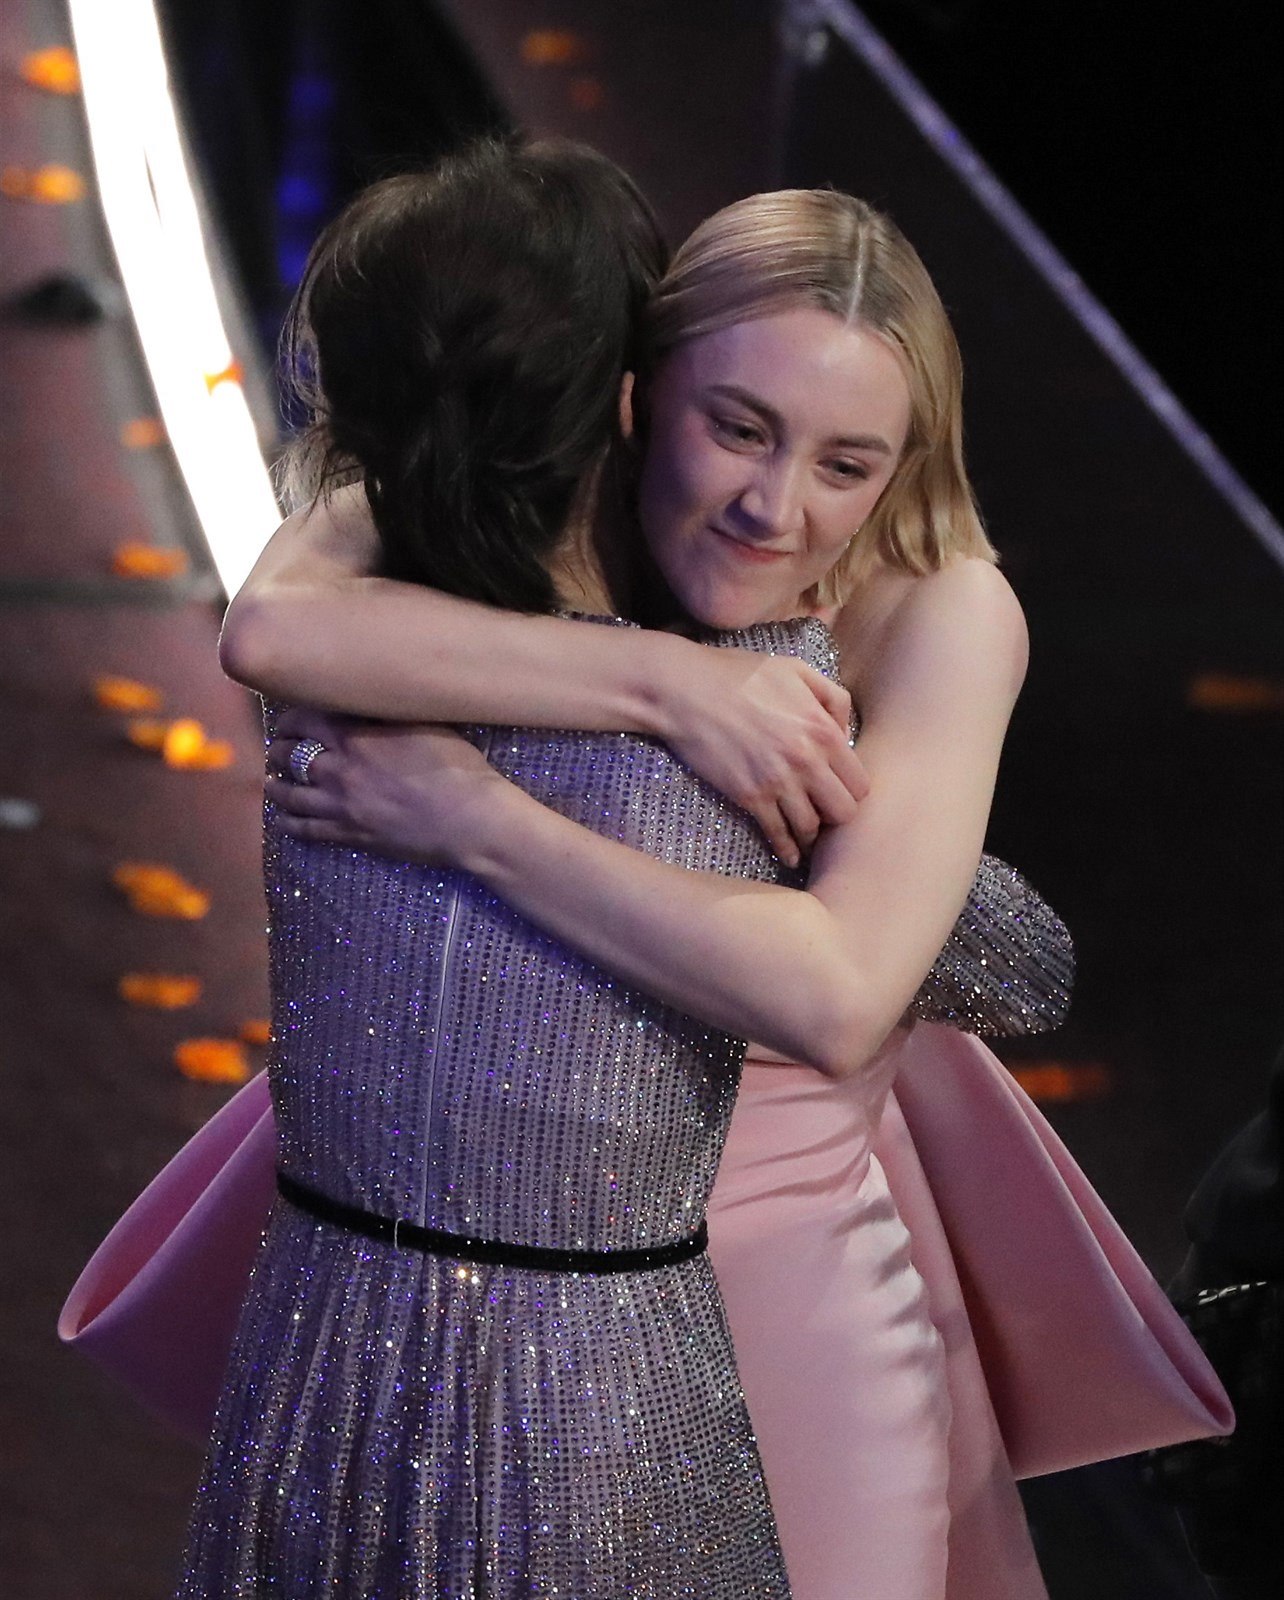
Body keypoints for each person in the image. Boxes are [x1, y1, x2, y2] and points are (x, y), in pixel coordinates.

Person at [226, 177, 1230, 1600]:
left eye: (847, 463)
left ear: (907, 464)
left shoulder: (943, 609)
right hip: (454, 1276)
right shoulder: (544, 508)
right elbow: (273, 626)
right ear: (638, 393)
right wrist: (670, 682)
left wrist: (476, 820)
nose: (774, 508)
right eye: (737, 427)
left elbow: (840, 992)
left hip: (791, 1314)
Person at [178, 138, 807, 1600]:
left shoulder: (335, 656)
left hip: (319, 1367)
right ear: (638, 398)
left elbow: (273, 617)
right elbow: (1008, 963)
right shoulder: (756, 724)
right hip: (602, 1407)